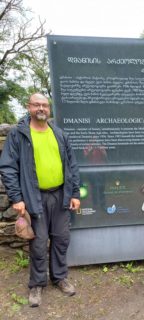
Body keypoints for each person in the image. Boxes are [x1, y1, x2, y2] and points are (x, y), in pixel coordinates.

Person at [0, 93, 81, 307]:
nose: (41, 108)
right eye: (37, 105)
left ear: (49, 108)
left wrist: (74, 193)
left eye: (45, 105)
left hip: (60, 195)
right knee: (38, 243)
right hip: (33, 197)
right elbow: (8, 167)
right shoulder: (19, 135)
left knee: (61, 239)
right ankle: (37, 284)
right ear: (29, 107)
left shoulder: (60, 134)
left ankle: (60, 277)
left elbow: (72, 166)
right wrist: (16, 197)